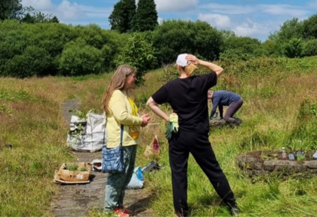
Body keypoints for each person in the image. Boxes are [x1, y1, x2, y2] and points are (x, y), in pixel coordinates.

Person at [147, 54, 239, 217]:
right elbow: (219, 69)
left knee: (178, 174)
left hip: (177, 136)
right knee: (213, 170)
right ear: (191, 66)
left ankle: (182, 212)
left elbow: (150, 103)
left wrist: (167, 118)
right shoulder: (201, 81)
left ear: (178, 67)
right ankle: (232, 205)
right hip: (198, 135)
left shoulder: (170, 87)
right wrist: (200, 61)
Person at [102, 65, 151, 217]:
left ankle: (119, 206)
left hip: (129, 141)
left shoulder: (125, 95)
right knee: (118, 176)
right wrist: (139, 121)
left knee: (126, 176)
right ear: (124, 77)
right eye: (133, 76)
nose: (135, 79)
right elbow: (122, 116)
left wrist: (139, 117)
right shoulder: (116, 94)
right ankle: (109, 209)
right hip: (120, 142)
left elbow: (127, 114)